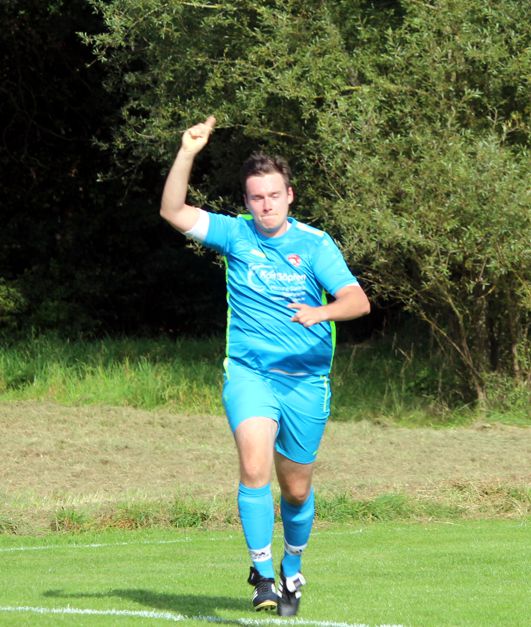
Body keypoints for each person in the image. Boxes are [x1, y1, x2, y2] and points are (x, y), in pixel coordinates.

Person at [160, 116, 370, 616]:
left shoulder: (314, 244)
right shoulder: (235, 235)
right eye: (257, 197)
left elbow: (357, 301)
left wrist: (320, 312)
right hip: (250, 374)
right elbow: (173, 210)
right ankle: (261, 574)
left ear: (289, 196)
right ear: (247, 201)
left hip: (306, 382)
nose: (266, 205)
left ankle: (292, 567)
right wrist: (188, 151)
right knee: (254, 467)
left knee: (295, 491)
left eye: (274, 195)